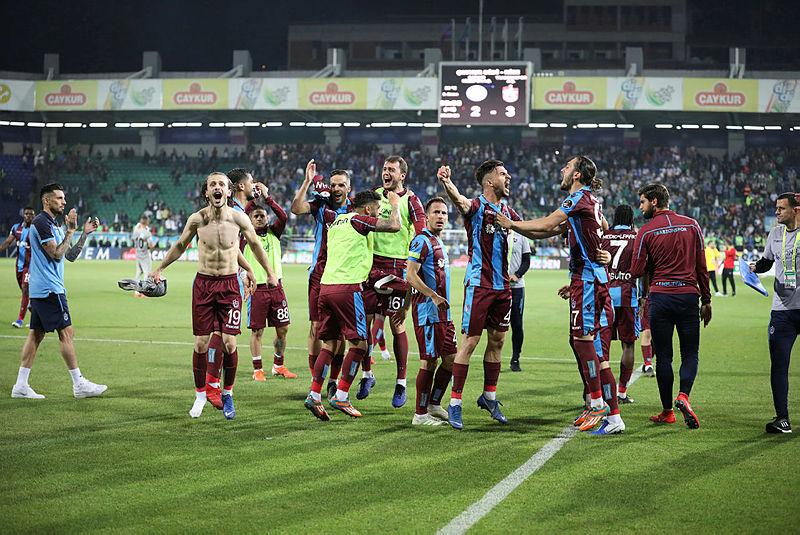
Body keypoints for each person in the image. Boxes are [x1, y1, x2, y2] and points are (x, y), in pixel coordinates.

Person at [498, 156, 624, 435]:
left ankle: (596, 403)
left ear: (577, 174)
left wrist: (511, 224)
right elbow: (589, 227)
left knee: (582, 341)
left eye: (567, 167)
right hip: (589, 279)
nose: (562, 170)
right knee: (593, 348)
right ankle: (612, 415)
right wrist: (599, 253)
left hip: (588, 280)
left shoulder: (577, 199)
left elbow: (546, 224)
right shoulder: (590, 200)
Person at [149, 172, 278, 419]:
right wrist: (160, 268)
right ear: (206, 192)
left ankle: (227, 393)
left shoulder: (239, 218)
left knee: (230, 344)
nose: (217, 187)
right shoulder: (197, 219)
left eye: (221, 184)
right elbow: (180, 245)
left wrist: (267, 273)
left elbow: (252, 246)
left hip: (229, 286)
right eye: (212, 185)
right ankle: (200, 395)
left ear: (229, 192)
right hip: (204, 285)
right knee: (201, 343)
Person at [437, 160, 523, 430]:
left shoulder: (508, 212)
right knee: (470, 342)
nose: (508, 177)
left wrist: (568, 222)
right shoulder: (476, 207)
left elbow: (532, 229)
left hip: (503, 288)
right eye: (503, 174)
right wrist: (446, 182)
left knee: (497, 341)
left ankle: (489, 397)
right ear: (489, 181)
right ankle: (455, 403)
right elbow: (459, 201)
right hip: (479, 284)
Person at [304, 190, 401, 421]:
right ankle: (341, 395)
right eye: (377, 209)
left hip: (326, 288)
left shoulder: (337, 222)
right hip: (347, 289)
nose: (379, 212)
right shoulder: (360, 220)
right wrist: (395, 204)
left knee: (329, 345)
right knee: (359, 345)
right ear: (368, 209)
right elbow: (394, 226)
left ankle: (314, 395)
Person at [10, 184, 106, 399]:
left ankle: (20, 385)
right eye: (60, 198)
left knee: (36, 334)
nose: (64, 202)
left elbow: (69, 255)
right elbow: (56, 254)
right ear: (47, 200)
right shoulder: (41, 223)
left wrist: (83, 234)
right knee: (66, 332)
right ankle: (79, 384)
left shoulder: (54, 224)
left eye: (64, 198)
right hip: (49, 289)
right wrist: (70, 230)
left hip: (42, 289)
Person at [631, 184, 712, 429]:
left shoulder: (646, 231)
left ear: (654, 201)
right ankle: (684, 396)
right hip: (688, 297)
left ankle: (668, 411)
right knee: (690, 353)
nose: (640, 207)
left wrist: (650, 263)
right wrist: (706, 300)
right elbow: (701, 266)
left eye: (643, 202)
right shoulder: (692, 225)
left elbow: (636, 270)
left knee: (664, 356)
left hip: (661, 298)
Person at [360, 155, 426, 407]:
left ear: (402, 175)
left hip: (398, 267)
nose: (386, 173)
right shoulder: (374, 195)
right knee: (365, 323)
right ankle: (367, 375)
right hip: (371, 265)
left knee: (397, 325)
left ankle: (401, 383)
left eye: (391, 170)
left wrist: (415, 267)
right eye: (384, 169)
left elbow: (421, 234)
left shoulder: (412, 200)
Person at [290, 161, 352, 399]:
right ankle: (315, 379)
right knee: (316, 327)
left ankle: (333, 381)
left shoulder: (355, 209)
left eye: (341, 185)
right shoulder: (320, 206)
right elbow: (296, 208)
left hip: (345, 275)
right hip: (319, 274)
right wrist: (307, 181)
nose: (336, 189)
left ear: (348, 188)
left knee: (341, 332)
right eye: (333, 184)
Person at [399, 197, 456, 426]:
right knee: (429, 361)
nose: (440, 216)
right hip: (428, 312)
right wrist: (432, 296)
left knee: (451, 360)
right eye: (436, 212)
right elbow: (410, 275)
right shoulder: (421, 241)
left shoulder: (438, 241)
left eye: (444, 213)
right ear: (427, 216)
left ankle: (433, 403)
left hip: (443, 312)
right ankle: (420, 415)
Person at [749, 192, 799, 434]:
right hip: (782, 312)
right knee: (779, 366)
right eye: (776, 208)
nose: (776, 212)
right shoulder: (775, 234)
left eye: (781, 208)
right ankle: (783, 419)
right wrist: (754, 268)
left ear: (796, 210)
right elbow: (767, 261)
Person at [244, 193, 294, 383]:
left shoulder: (274, 232)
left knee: (283, 328)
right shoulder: (245, 236)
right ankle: (257, 369)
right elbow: (243, 214)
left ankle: (278, 365)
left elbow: (283, 216)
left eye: (262, 216)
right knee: (257, 331)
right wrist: (252, 199)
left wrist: (267, 198)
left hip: (277, 287)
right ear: (250, 220)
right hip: (257, 289)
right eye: (255, 216)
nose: (259, 218)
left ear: (267, 218)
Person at [601, 204, 640, 404]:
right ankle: (622, 392)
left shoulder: (604, 236)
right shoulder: (636, 238)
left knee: (602, 345)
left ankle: (599, 394)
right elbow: (643, 269)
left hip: (604, 296)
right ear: (631, 219)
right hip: (627, 297)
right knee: (628, 345)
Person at [0, 206, 35, 327]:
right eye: (27, 214)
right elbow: (8, 242)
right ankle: (35, 316)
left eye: (31, 214)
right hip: (19, 265)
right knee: (26, 293)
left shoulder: (35, 230)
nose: (29, 216)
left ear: (34, 216)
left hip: (30, 266)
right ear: (23, 215)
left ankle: (20, 319)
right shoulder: (16, 228)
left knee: (25, 289)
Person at [507, 230, 531, 372]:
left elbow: (527, 261)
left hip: (516, 288)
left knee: (516, 324)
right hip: (498, 287)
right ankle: (493, 358)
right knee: (495, 326)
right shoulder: (496, 233)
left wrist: (517, 275)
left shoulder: (521, 236)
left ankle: (515, 358)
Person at [131, 214, 156, 297]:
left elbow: (134, 239)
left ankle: (137, 292)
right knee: (147, 273)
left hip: (138, 254)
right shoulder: (147, 233)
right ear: (147, 222)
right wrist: (154, 244)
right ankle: (144, 292)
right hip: (145, 255)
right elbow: (151, 245)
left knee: (138, 273)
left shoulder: (136, 231)